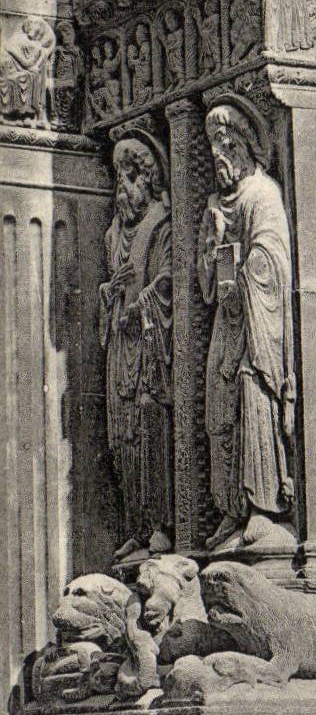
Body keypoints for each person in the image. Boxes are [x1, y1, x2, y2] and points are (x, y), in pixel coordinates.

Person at [197, 101, 295, 551]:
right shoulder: (217, 203)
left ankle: (263, 505)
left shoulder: (263, 194)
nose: (220, 156)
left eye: (227, 146)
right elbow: (204, 282)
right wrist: (213, 241)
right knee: (220, 405)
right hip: (229, 317)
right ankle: (232, 508)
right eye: (214, 148)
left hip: (257, 320)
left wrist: (244, 274)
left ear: (246, 147)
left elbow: (272, 257)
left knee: (253, 398)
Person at [99, 135, 174, 558]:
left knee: (151, 432)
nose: (122, 188)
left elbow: (167, 281)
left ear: (148, 178)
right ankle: (136, 525)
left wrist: (139, 303)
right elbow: (111, 287)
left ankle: (161, 525)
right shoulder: (113, 234)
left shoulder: (161, 224)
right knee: (121, 438)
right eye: (118, 178)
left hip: (149, 347)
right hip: (120, 350)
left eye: (130, 177)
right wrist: (111, 293)